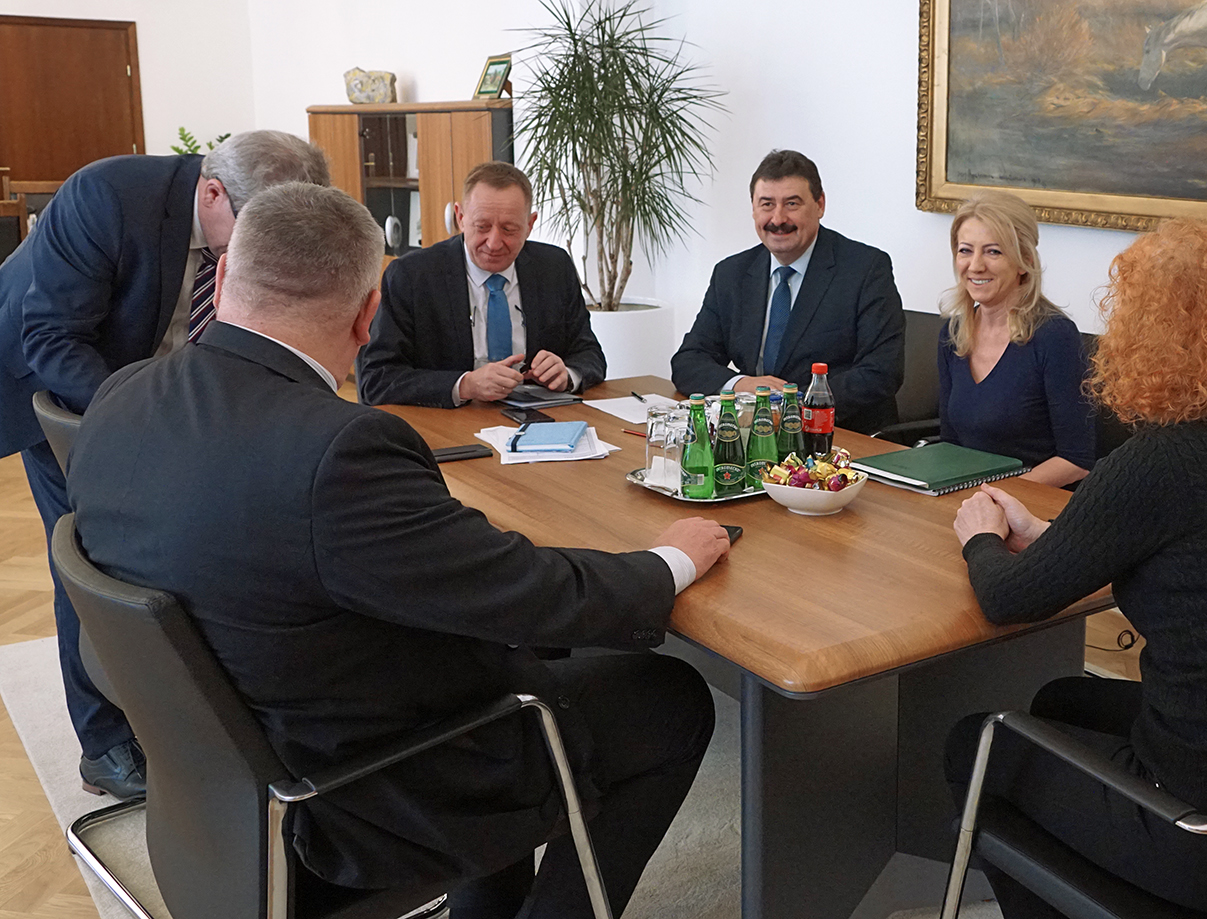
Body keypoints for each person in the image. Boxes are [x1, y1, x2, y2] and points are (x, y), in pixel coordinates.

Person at [66, 182, 731, 919]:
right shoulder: (340, 451)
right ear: (368, 313)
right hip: (351, 801)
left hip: (225, 772)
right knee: (668, 698)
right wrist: (667, 560)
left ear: (222, 278)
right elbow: (524, 593)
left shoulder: (121, 396)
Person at [945, 218, 1207, 917]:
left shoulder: (1159, 462)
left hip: (1200, 822)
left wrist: (979, 537)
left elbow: (1007, 598)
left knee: (974, 742)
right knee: (1060, 701)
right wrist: (1055, 535)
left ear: (1146, 335)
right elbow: (1200, 568)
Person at [0, 130, 330, 799]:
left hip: (160, 386)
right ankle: (104, 745)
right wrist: (143, 424)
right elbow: (51, 339)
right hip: (62, 390)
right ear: (212, 193)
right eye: (257, 234)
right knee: (91, 553)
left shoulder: (241, 219)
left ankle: (211, 707)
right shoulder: (105, 197)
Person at [670, 149, 904, 434]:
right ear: (753, 208)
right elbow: (688, 360)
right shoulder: (731, 273)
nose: (778, 218)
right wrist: (741, 385)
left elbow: (881, 372)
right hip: (753, 434)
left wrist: (789, 406)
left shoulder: (865, 269)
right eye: (767, 204)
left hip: (839, 436)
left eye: (792, 204)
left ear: (819, 205)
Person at [356, 161, 607, 407]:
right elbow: (377, 379)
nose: (494, 243)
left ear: (530, 225)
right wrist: (464, 385)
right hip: (449, 423)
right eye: (482, 227)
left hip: (538, 419)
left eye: (509, 229)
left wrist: (567, 374)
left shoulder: (554, 267)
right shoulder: (411, 276)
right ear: (460, 218)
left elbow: (589, 354)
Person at [937, 190, 1095, 488]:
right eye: (965, 250)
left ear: (1024, 261)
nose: (975, 265)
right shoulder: (953, 333)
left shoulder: (1055, 336)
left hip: (1034, 502)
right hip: (969, 497)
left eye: (993, 252)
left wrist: (996, 497)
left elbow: (1076, 461)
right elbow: (950, 443)